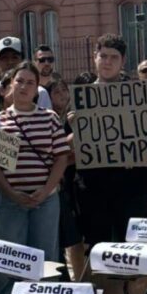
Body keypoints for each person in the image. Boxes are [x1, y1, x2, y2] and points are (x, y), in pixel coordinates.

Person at [0, 61, 69, 294]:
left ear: (37, 89)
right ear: (11, 84)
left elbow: (61, 158)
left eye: (30, 82)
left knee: (46, 258)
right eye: (20, 81)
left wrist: (46, 191)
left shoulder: (49, 118)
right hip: (10, 201)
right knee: (8, 260)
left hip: (46, 200)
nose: (24, 86)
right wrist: (11, 194)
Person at [77, 34, 147, 246]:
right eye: (103, 56)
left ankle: (135, 281)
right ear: (95, 58)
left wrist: (138, 154)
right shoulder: (81, 97)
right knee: (98, 249)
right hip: (94, 187)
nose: (107, 62)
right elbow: (68, 147)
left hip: (132, 185)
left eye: (113, 57)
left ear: (122, 61)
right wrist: (77, 127)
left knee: (133, 249)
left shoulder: (139, 94)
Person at [46, 78, 86, 280]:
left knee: (76, 237)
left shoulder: (74, 116)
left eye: (64, 90)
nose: (62, 94)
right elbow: (56, 154)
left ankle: (79, 279)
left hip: (74, 181)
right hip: (56, 185)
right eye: (56, 92)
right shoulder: (46, 119)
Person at [0, 37, 52, 109]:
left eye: (14, 57)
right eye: (4, 58)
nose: (10, 62)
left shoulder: (40, 94)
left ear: (22, 60)